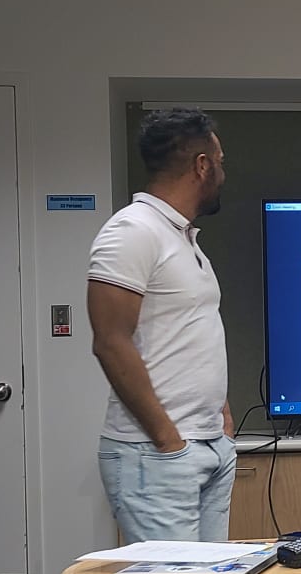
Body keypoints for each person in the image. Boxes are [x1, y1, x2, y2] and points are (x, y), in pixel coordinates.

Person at [87, 107, 235, 543]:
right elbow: (109, 342)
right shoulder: (132, 231)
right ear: (201, 166)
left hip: (207, 445)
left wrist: (221, 418)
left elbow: (190, 333)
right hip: (156, 454)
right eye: (220, 162)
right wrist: (167, 440)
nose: (224, 173)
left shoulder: (182, 238)